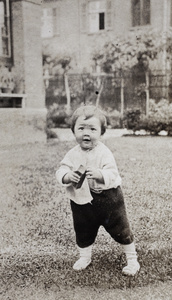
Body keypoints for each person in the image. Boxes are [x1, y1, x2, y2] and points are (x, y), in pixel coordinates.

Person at [56, 105, 140, 276]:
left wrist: (100, 174)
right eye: (81, 128)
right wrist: (67, 176)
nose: (86, 133)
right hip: (82, 201)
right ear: (73, 131)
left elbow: (113, 173)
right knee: (83, 229)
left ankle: (132, 258)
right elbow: (61, 170)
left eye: (92, 129)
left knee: (120, 228)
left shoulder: (104, 152)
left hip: (108, 200)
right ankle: (84, 256)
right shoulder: (72, 154)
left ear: (101, 133)